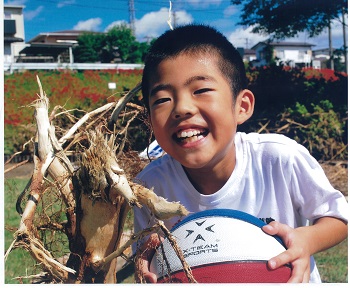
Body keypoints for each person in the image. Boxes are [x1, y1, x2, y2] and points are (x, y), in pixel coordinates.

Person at [132, 24, 348, 283]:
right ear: (149, 120)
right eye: (162, 99)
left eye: (200, 90)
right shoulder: (148, 187)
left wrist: (306, 240)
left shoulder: (279, 158)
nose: (182, 108)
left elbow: (337, 217)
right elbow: (145, 254)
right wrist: (145, 260)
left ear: (241, 106)